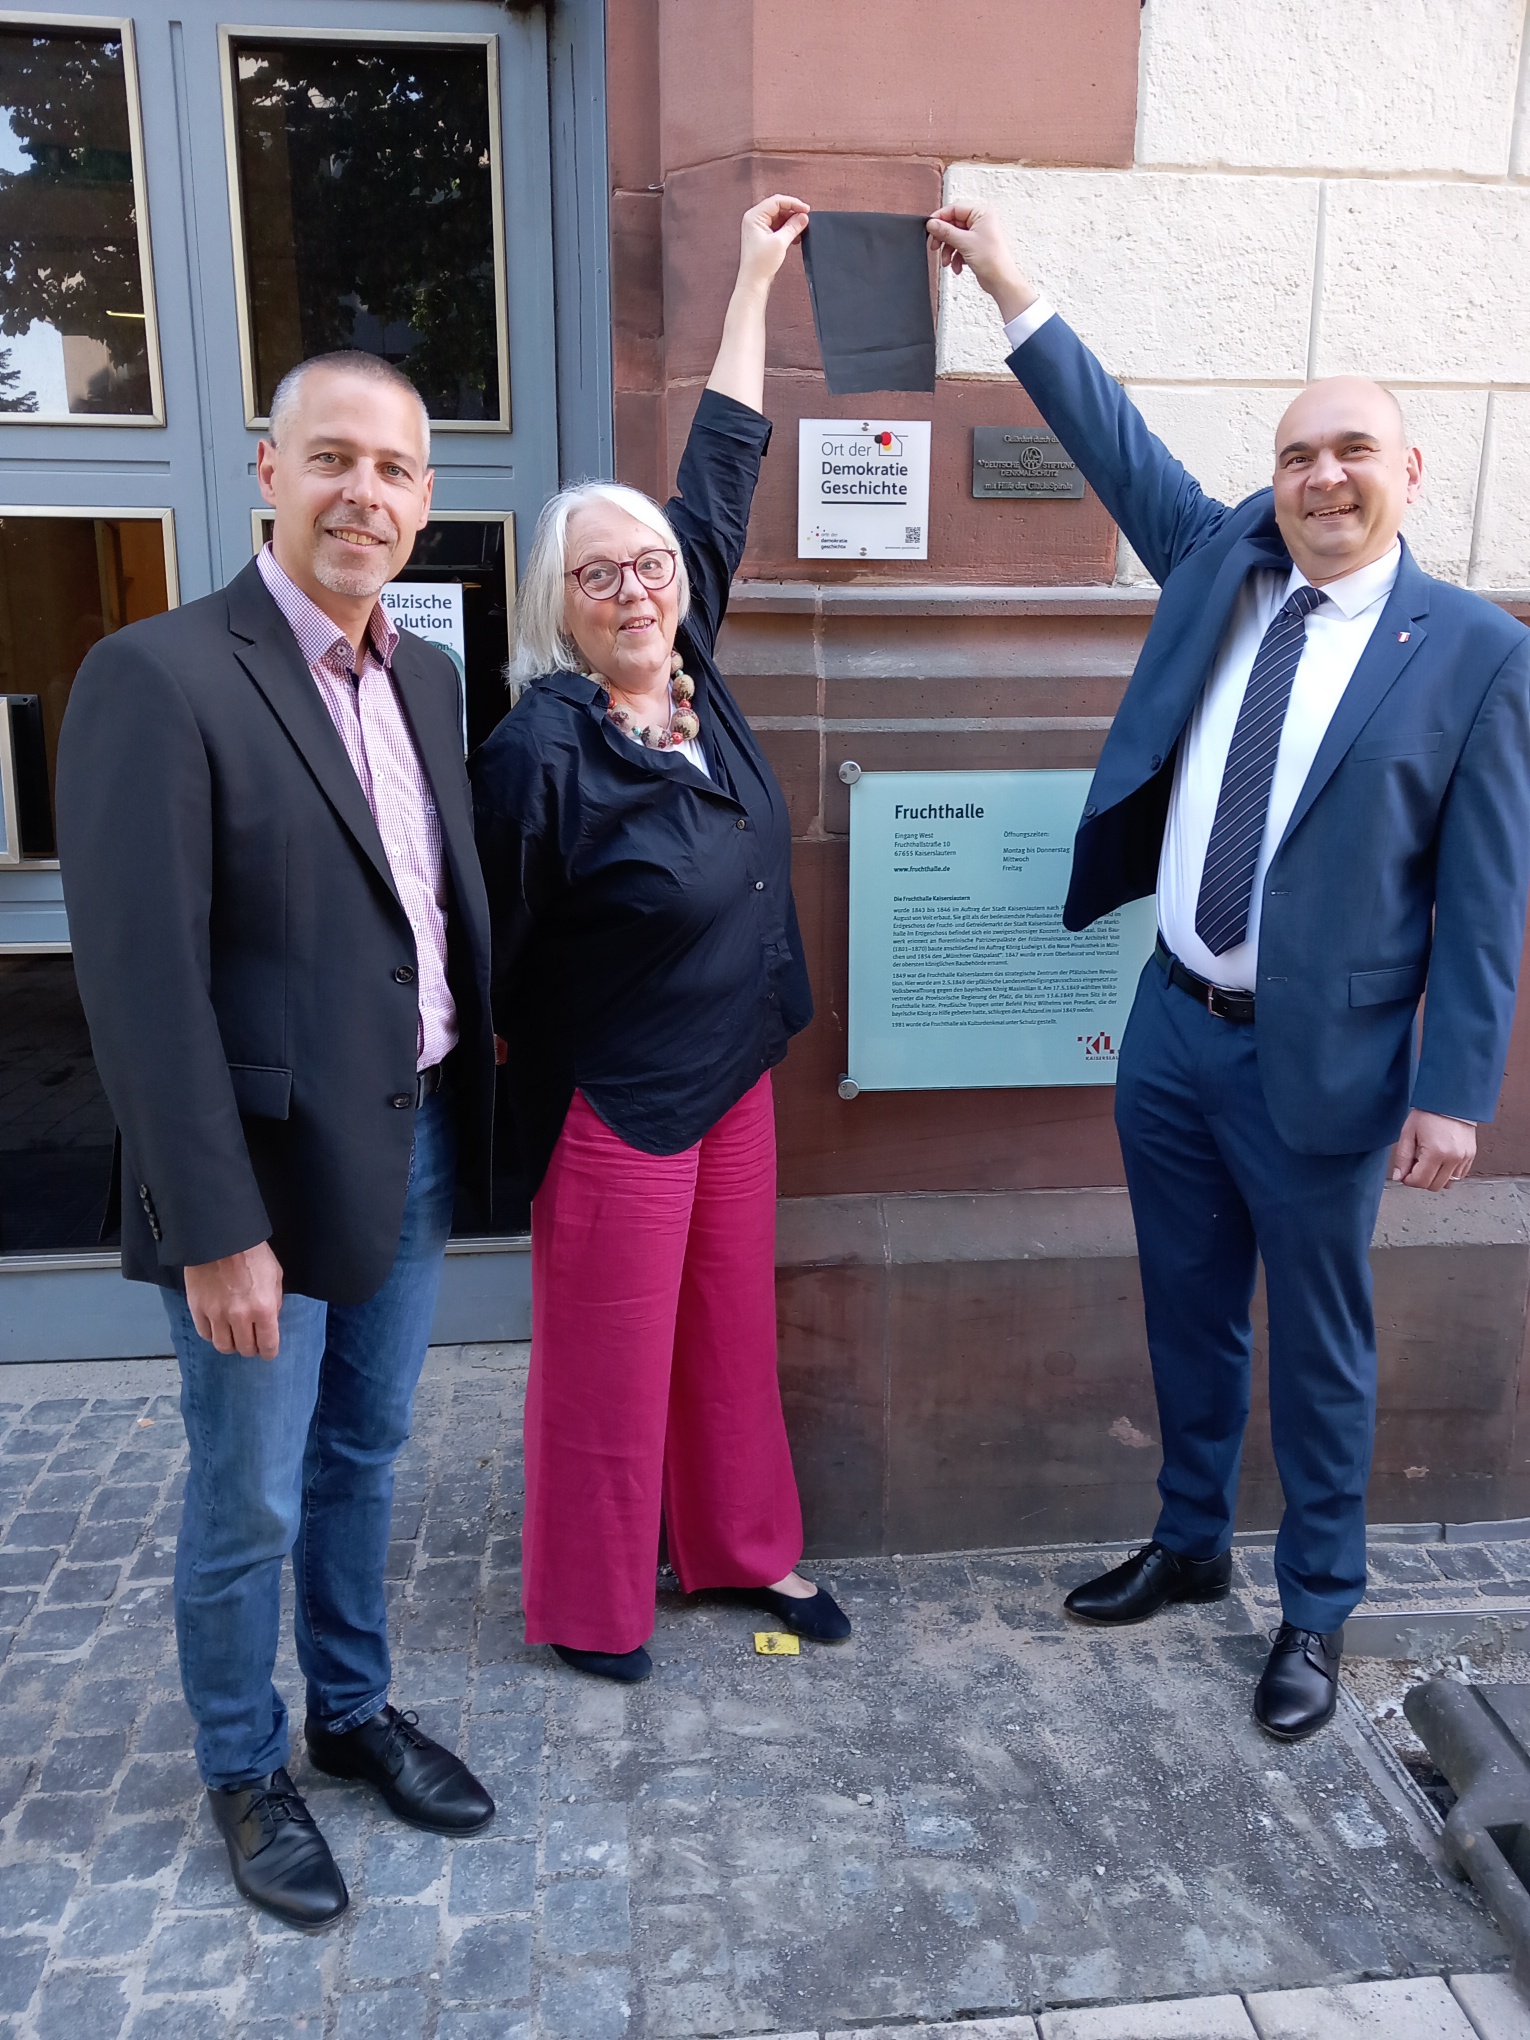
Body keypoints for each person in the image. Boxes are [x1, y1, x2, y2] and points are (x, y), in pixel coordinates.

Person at [926, 201, 1530, 1740]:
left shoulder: (1473, 652)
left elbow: (1483, 897)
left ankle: (1315, 1606)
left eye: (1350, 451)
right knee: (1186, 1309)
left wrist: (1453, 1091)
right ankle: (1190, 1541)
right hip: (1171, 1031)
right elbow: (1109, 438)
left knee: (1318, 1348)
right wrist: (1005, 283)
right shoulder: (1218, 563)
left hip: (1319, 1066)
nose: (1320, 477)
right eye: (1294, 455)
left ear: (1407, 472)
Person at [55, 351, 498, 1929]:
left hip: (409, 1144)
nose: (363, 493)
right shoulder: (158, 675)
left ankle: (351, 1711)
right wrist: (213, 1226)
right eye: (332, 459)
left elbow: (412, 913)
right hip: (255, 1179)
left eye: (394, 469)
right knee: (249, 1491)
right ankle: (244, 1766)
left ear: (424, 500)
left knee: (366, 1456)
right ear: (266, 471)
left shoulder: (425, 678)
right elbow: (142, 986)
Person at [472, 195, 850, 1684]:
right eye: (599, 575)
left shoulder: (690, 661)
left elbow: (722, 464)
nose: (636, 588)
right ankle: (589, 1604)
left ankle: (740, 1551)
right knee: (607, 1361)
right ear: (559, 609)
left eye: (651, 566)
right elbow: (492, 943)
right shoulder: (540, 749)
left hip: (733, 1073)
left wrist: (753, 278)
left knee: (724, 1337)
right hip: (617, 1104)